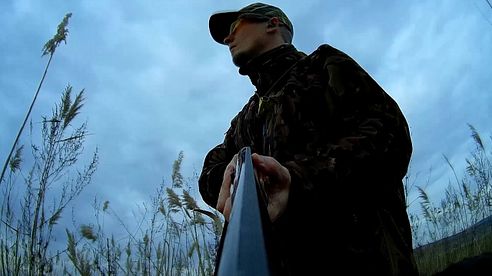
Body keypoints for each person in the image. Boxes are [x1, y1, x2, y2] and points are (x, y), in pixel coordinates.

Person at [199, 2, 419, 275]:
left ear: (272, 24)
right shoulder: (245, 118)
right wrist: (229, 176)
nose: (227, 38)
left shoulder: (323, 67)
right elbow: (210, 170)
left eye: (234, 27)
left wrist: (297, 179)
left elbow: (389, 134)